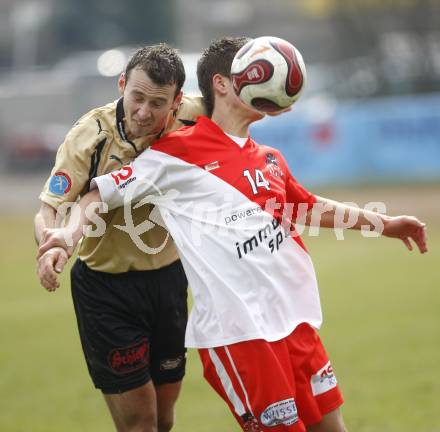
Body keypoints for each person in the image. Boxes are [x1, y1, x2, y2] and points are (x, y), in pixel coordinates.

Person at [38, 37, 428, 431]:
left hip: (293, 324)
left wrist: (383, 223)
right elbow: (97, 193)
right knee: (146, 421)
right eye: (253, 74)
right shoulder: (174, 154)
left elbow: (308, 206)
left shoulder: (269, 158)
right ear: (223, 84)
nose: (145, 111)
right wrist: (66, 237)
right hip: (238, 332)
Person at [34, 44, 206, 432]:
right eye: (137, 97)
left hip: (168, 280)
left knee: (163, 420)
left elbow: (241, 108)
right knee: (140, 423)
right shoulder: (88, 137)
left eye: (158, 103)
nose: (144, 112)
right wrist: (52, 243)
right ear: (122, 84)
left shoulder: (195, 115)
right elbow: (49, 208)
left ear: (177, 102)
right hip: (106, 290)